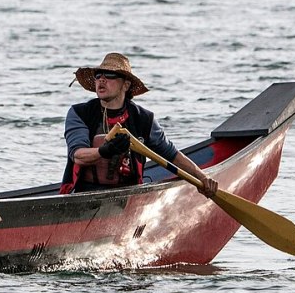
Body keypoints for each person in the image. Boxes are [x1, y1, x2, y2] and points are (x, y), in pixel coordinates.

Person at [62, 52, 216, 197]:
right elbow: (78, 156)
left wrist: (202, 177)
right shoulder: (79, 113)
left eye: (110, 75)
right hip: (84, 193)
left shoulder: (144, 119)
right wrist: (104, 151)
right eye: (98, 75)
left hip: (128, 194)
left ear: (126, 85)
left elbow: (172, 155)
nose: (101, 79)